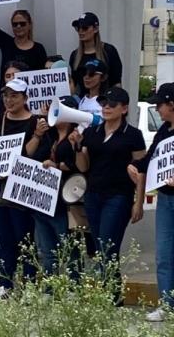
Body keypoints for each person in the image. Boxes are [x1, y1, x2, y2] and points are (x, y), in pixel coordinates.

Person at [70, 87, 146, 302]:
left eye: (112, 105)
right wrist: (77, 146)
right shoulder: (92, 132)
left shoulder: (132, 135)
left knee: (108, 243)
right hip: (94, 195)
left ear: (124, 109)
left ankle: (111, 293)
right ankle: (111, 291)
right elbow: (83, 166)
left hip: (118, 195)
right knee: (99, 243)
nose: (106, 108)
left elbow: (140, 171)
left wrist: (138, 202)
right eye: (104, 104)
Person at [0, 78, 50, 304]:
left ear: (25, 98)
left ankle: (30, 284)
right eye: (6, 95)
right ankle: (5, 285)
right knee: (5, 237)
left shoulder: (36, 122)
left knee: (24, 237)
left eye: (14, 96)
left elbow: (30, 156)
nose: (9, 100)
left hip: (22, 186)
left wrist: (38, 136)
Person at [128, 83, 174, 322]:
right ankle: (168, 304)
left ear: (171, 105)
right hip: (166, 199)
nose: (157, 109)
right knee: (164, 254)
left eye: (160, 104)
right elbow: (150, 159)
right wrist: (135, 166)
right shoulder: (164, 131)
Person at [38, 95, 79, 275]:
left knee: (68, 246)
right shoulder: (51, 135)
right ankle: (49, 287)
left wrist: (57, 166)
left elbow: (76, 165)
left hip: (64, 200)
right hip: (45, 198)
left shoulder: (75, 137)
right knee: (48, 249)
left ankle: (73, 285)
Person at [69, 12, 122, 95]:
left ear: (95, 29)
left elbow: (116, 82)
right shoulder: (75, 55)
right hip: (83, 103)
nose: (80, 31)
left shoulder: (109, 51)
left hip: (105, 102)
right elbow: (74, 84)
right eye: (78, 28)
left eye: (85, 28)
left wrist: (116, 104)